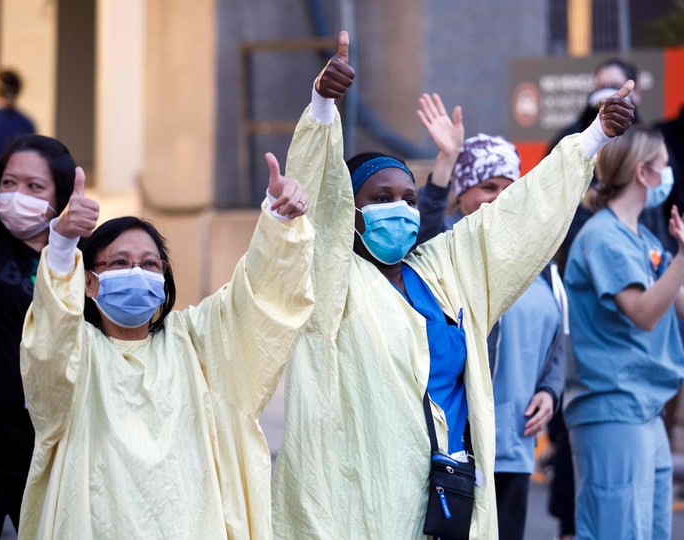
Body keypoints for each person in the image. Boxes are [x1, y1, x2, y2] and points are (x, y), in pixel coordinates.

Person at [271, 31, 634, 539]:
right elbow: (316, 205)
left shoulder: (441, 271)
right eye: (380, 199)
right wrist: (322, 106)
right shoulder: (332, 283)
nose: (398, 209)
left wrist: (593, 137)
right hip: (360, 502)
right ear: (350, 212)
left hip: (447, 495)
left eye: (408, 200)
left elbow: (515, 218)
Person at [18, 151, 314, 538]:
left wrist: (278, 222)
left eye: (150, 264)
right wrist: (60, 247)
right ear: (88, 283)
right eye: (119, 263)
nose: (137, 273)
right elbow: (49, 347)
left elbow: (257, 300)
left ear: (164, 281)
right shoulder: (79, 352)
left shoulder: (195, 341)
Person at [416, 112, 566, 540]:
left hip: (516, 448)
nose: (500, 198)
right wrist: (446, 160)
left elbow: (556, 343)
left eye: (508, 187)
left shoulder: (540, 262)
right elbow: (426, 232)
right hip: (462, 448)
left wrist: (549, 391)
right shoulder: (448, 252)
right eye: (487, 187)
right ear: (462, 193)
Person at [563, 124, 684, 540]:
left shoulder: (642, 238)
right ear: (642, 172)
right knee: (616, 530)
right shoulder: (602, 238)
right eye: (665, 166)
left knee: (649, 530)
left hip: (642, 407)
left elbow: (676, 301)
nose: (671, 175)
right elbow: (645, 313)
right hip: (612, 405)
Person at [545, 57, 640, 540]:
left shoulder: (642, 146)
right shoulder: (569, 141)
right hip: (582, 302)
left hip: (631, 367)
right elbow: (547, 200)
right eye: (601, 86)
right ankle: (567, 524)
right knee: (576, 442)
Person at [0, 134, 76, 539]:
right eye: (9, 183)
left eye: (34, 186)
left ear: (60, 196)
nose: (17, 194)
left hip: (47, 452)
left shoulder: (76, 260)